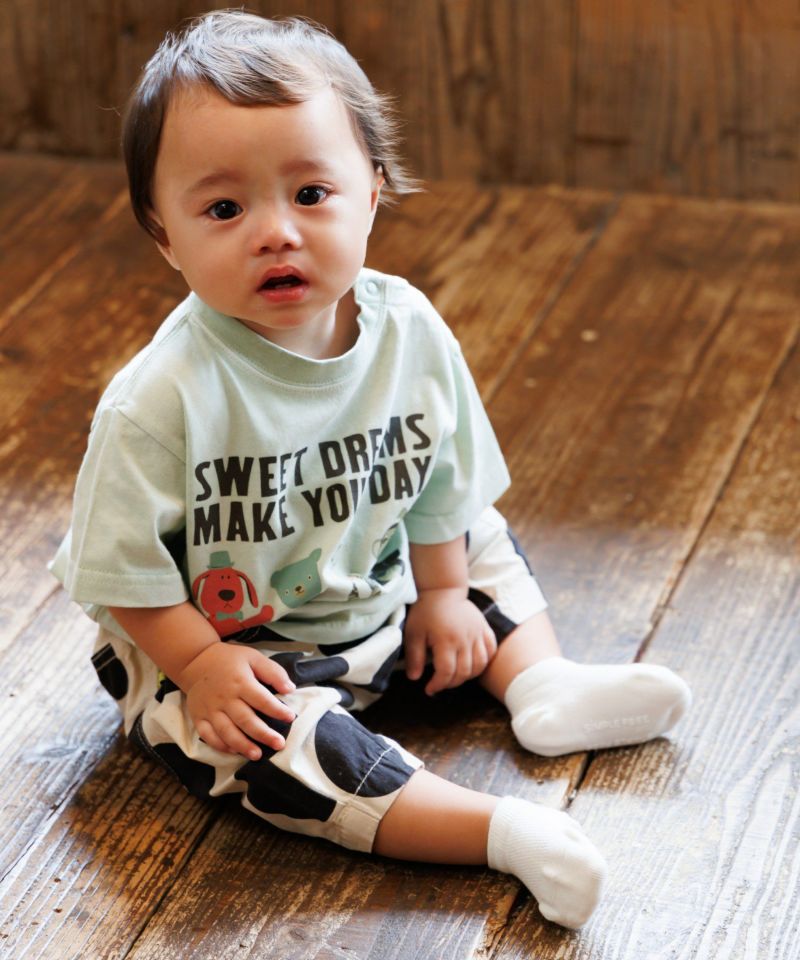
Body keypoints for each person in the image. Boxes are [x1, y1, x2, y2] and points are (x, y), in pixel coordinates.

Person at [50, 10, 692, 930]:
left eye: (311, 193)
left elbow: (443, 482)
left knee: (474, 534)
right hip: (223, 644)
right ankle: (496, 832)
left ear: (373, 192)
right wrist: (202, 664)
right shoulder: (159, 402)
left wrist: (444, 593)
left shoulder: (409, 330)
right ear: (164, 236)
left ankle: (542, 683)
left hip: (379, 576)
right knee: (265, 749)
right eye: (225, 210)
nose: (276, 232)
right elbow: (120, 577)